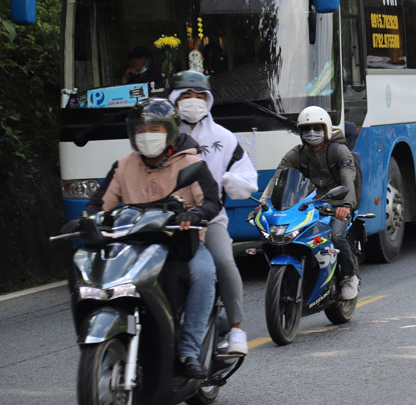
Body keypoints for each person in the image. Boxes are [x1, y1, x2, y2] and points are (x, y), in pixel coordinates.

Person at [73, 98, 221, 378]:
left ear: (170, 129)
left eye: (154, 128)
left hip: (181, 242)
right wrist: (86, 219)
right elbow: (98, 204)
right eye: (140, 128)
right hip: (132, 244)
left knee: (204, 273)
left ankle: (189, 350)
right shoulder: (122, 166)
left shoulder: (191, 163)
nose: (147, 134)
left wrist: (196, 214)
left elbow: (212, 201)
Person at [169, 70, 258, 355]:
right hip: (166, 219)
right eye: (185, 96)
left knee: (223, 262)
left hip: (211, 216)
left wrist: (234, 182)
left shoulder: (224, 138)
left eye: (198, 96)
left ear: (208, 99)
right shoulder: (162, 135)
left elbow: (247, 177)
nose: (192, 101)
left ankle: (236, 330)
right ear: (173, 100)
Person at [262, 106, 360, 300]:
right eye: (307, 129)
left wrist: (346, 205)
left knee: (337, 235)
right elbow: (278, 178)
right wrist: (264, 203)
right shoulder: (296, 154)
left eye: (317, 128)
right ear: (300, 132)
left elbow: (349, 177)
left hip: (337, 205)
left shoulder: (339, 151)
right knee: (286, 236)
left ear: (326, 129)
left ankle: (349, 276)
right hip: (309, 205)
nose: (312, 133)